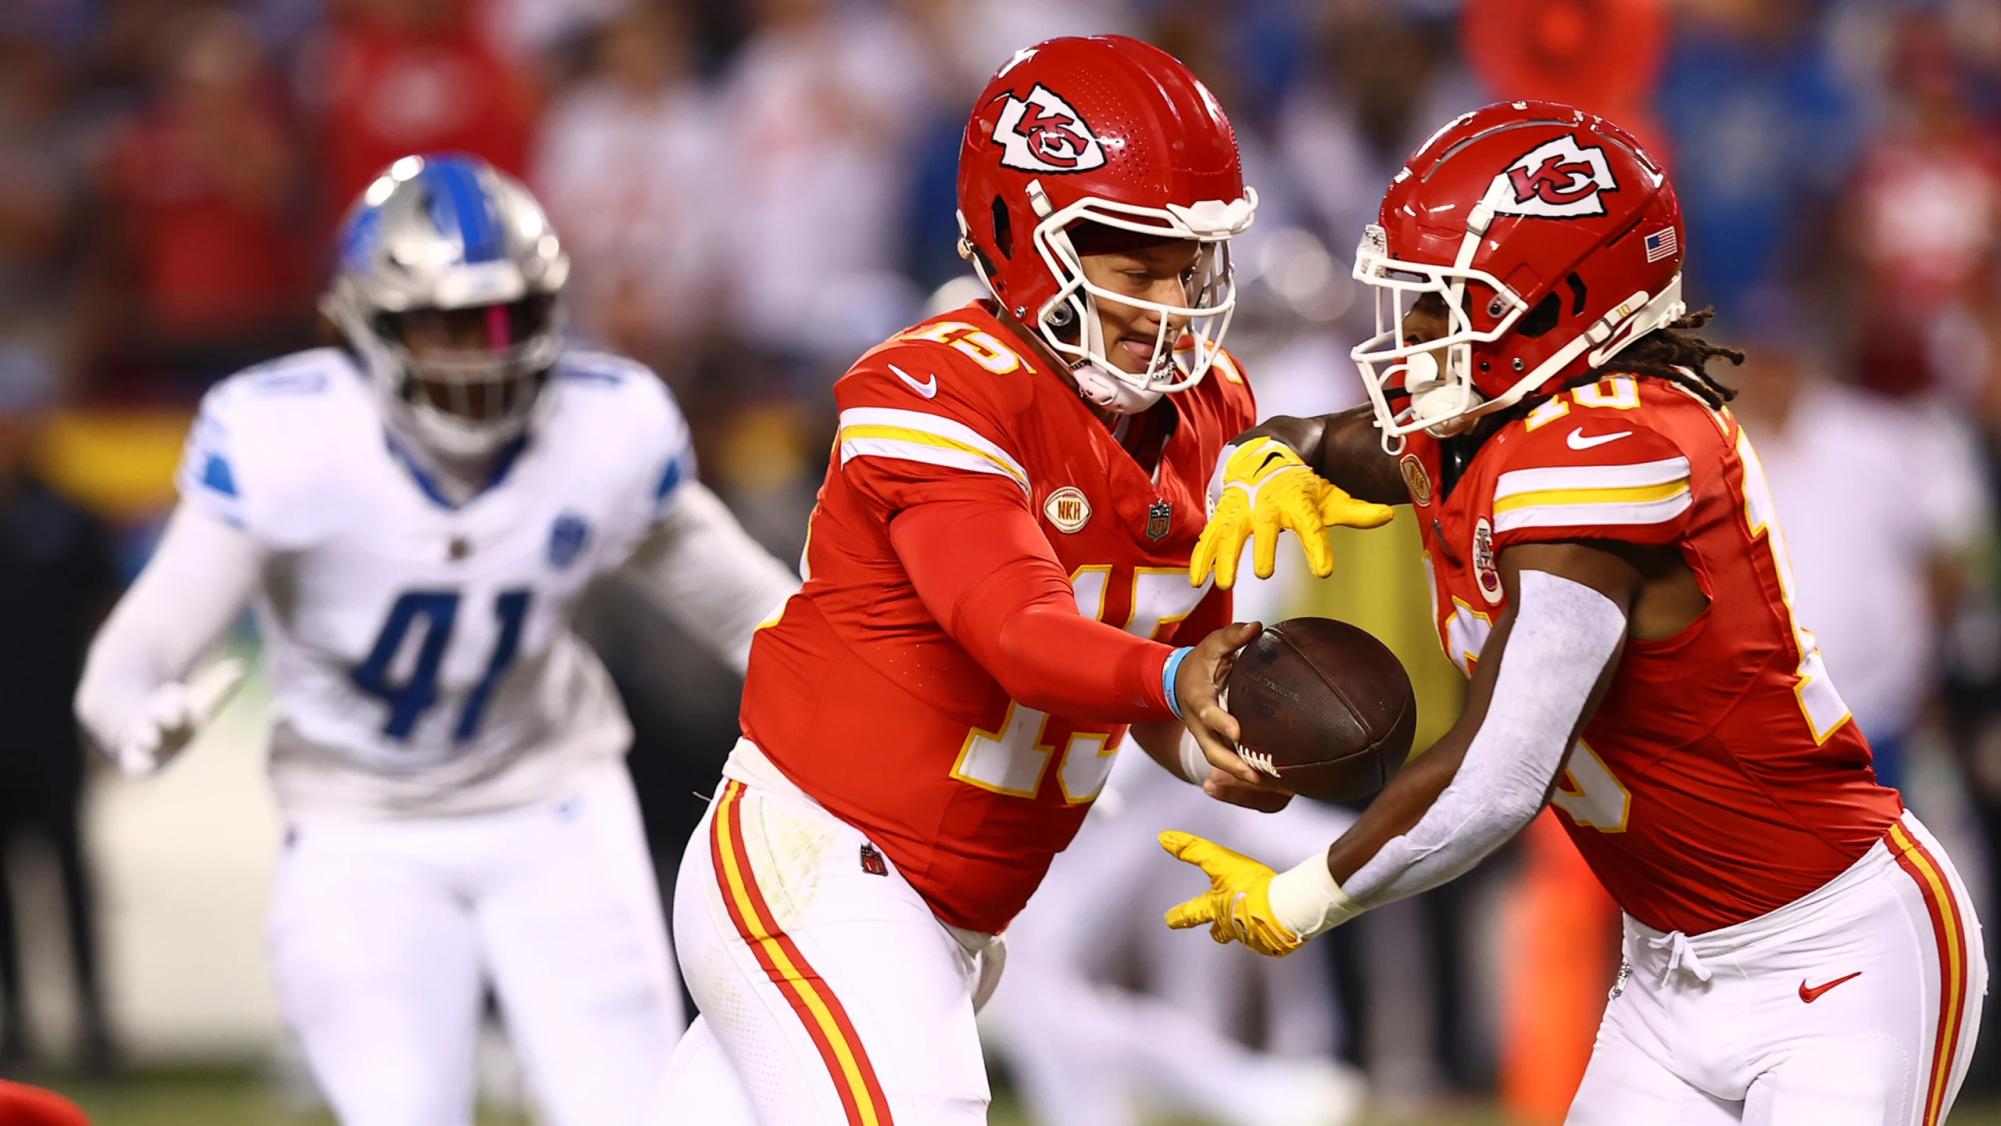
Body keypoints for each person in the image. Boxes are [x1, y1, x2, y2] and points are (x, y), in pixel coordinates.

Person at [1167, 101, 1987, 1124]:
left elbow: (1498, 776)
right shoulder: (1479, 430)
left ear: (1559, 311)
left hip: (1832, 956)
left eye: (1443, 305)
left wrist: (1302, 895)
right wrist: (1262, 460)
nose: (1410, 337)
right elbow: (1324, 438)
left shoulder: (1614, 453)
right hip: (1669, 973)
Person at [656, 35, 1388, 1125]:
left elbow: (1178, 663)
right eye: (1133, 268)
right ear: (1024, 246)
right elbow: (1018, 629)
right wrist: (1178, 676)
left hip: (948, 909)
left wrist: (1222, 743)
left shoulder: (1208, 409)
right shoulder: (940, 388)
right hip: (821, 861)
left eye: (1188, 265)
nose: (1172, 301)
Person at [74, 154, 799, 1126]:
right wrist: (132, 710)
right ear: (361, 325)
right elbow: (137, 649)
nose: (486, 353)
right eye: (448, 322)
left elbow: (760, 616)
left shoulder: (606, 423)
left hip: (556, 808)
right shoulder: (284, 437)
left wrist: (881, 714)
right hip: (360, 825)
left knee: (629, 1110)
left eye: (513, 317)